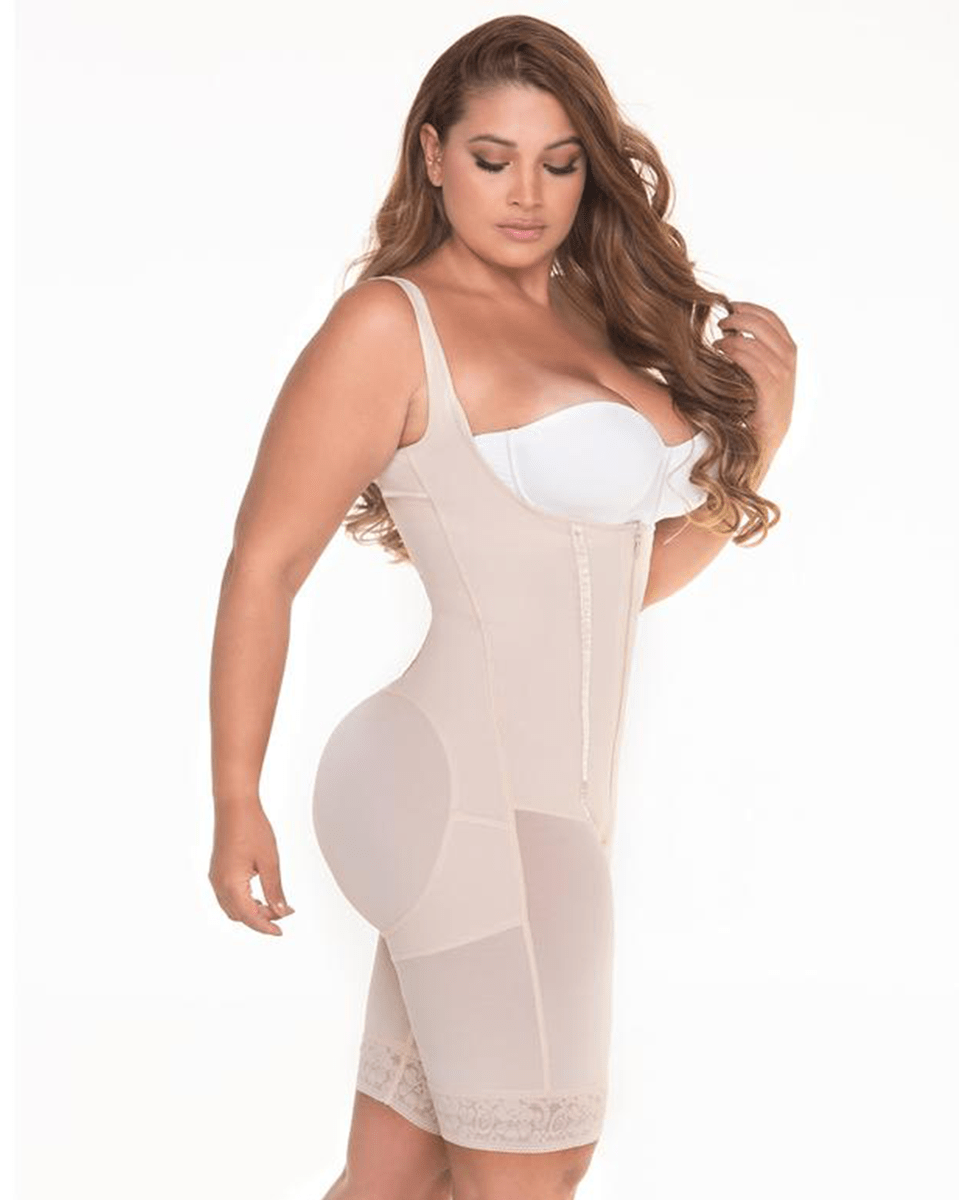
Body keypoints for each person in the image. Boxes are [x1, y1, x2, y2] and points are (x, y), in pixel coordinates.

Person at [207, 14, 795, 1200]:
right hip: (450, 794)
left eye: (559, 162)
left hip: (549, 810)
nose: (526, 194)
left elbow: (615, 592)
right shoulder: (390, 324)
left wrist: (760, 447)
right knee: (535, 1163)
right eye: (492, 158)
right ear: (432, 155)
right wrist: (235, 800)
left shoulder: (593, 315)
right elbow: (262, 563)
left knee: (396, 1175)